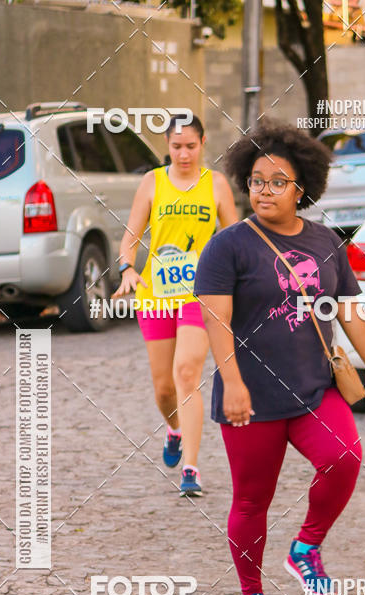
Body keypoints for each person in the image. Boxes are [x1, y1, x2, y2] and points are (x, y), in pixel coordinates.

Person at [194, 121, 365, 595]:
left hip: (313, 389)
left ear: (302, 188)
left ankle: (305, 546)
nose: (264, 191)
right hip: (251, 397)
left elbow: (347, 308)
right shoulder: (227, 246)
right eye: (257, 181)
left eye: (278, 182)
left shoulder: (325, 240)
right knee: (251, 501)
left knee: (344, 457)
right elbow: (216, 322)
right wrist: (232, 384)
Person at [113, 114, 238, 497]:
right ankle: (174, 429)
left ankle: (191, 468)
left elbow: (235, 239)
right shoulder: (152, 182)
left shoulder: (215, 185)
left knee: (187, 372)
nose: (184, 154)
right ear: (167, 146)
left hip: (199, 295)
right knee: (164, 387)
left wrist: (242, 283)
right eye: (176, 146)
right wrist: (127, 270)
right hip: (155, 296)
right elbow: (129, 240)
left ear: (203, 143)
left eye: (191, 146)